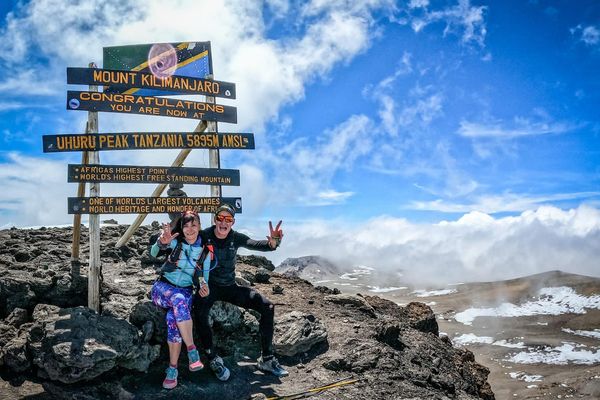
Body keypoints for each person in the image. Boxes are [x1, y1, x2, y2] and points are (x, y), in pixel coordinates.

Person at [193, 203, 288, 380]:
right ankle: (212, 357)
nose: (223, 222)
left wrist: (273, 243)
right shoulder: (204, 235)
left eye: (228, 219)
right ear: (215, 219)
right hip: (209, 288)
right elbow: (187, 243)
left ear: (233, 222)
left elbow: (255, 244)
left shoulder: (236, 238)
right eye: (220, 218)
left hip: (230, 287)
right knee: (199, 310)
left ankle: (267, 359)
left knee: (267, 307)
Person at [150, 209, 213, 389]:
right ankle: (192, 350)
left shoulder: (205, 252)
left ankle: (173, 369)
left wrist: (204, 288)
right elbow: (153, 253)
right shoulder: (175, 241)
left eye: (194, 225)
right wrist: (161, 242)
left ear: (200, 226)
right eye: (186, 226)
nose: (190, 229)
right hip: (162, 288)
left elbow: (204, 279)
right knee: (178, 299)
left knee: (172, 318)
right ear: (182, 228)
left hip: (185, 291)